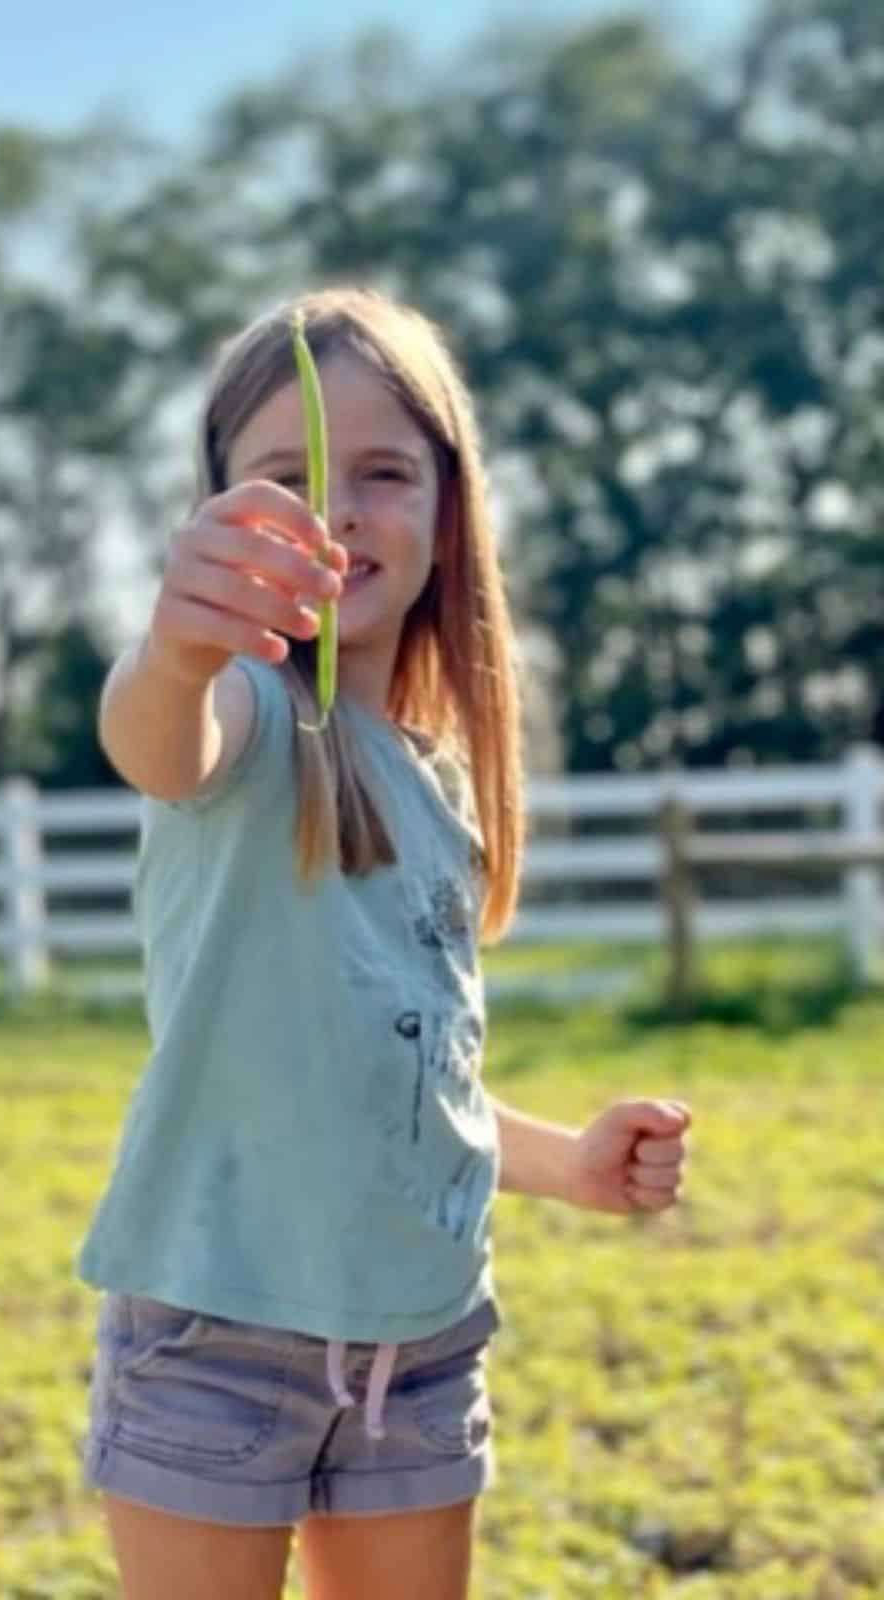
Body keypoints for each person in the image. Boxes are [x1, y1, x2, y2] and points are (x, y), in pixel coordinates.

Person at [75, 285, 692, 1600]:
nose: (339, 509)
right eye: (286, 475)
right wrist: (177, 652)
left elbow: (419, 1094)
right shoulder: (239, 715)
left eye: (384, 472)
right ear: (215, 516)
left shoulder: (435, 788)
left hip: (422, 1342)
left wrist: (574, 1165)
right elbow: (153, 738)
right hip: (218, 1337)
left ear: (447, 512)